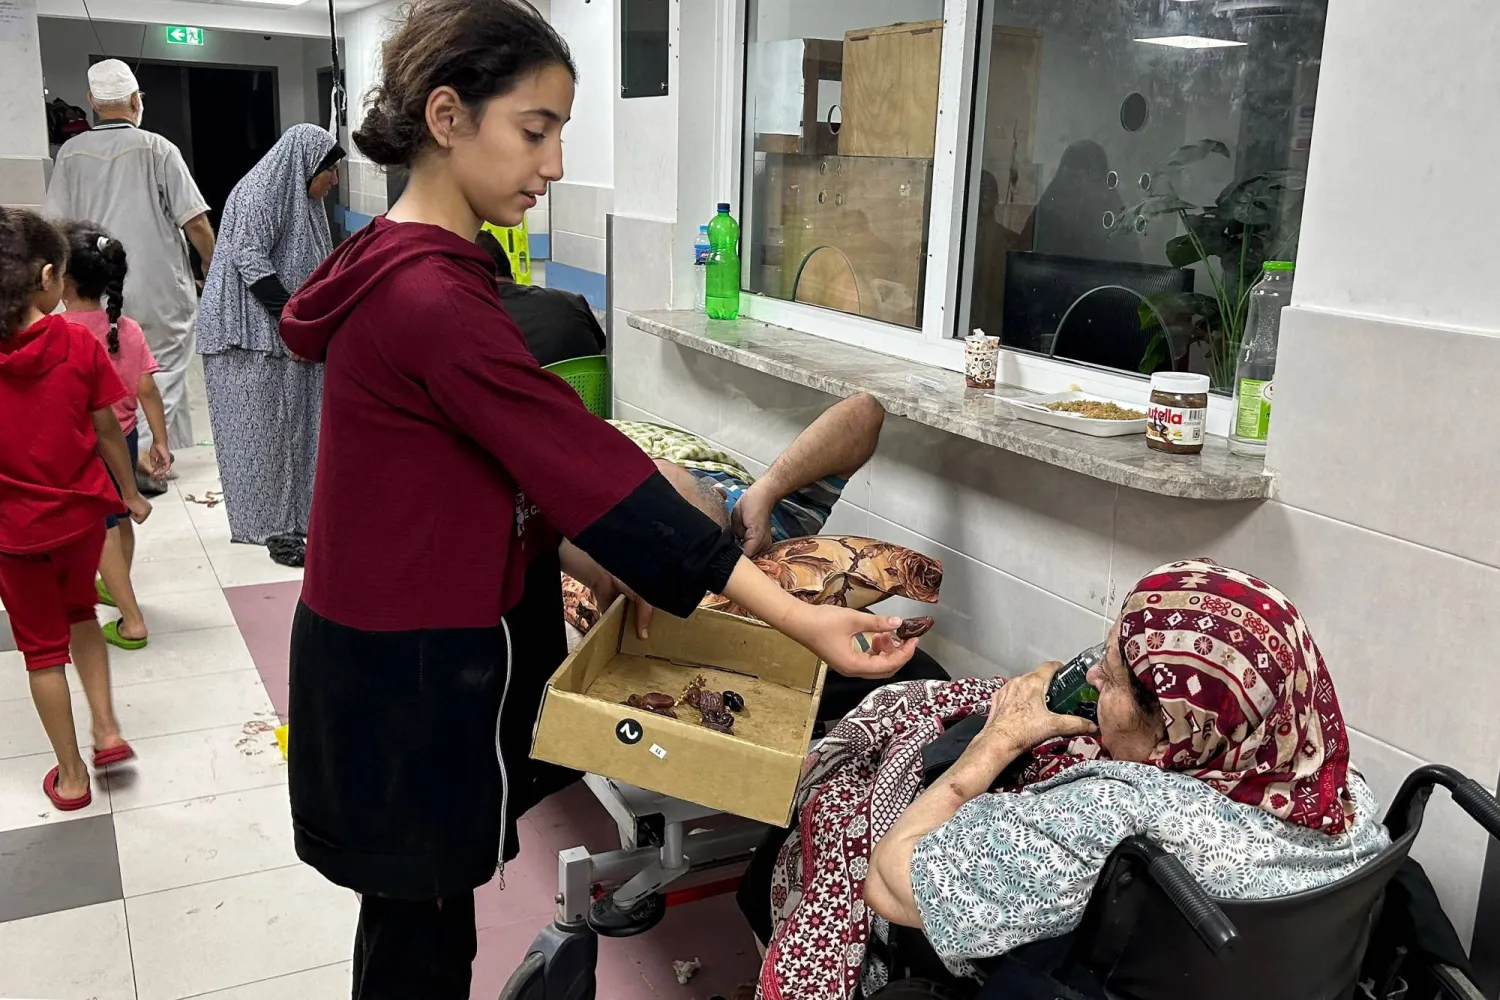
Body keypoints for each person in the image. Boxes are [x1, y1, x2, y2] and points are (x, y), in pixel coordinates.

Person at [276, 2, 918, 996]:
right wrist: (801, 618)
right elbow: (590, 474)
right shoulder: (431, 299)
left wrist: (587, 562)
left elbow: (494, 482)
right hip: (407, 677)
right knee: (421, 937)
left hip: (377, 655)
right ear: (447, 117)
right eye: (536, 130)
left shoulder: (399, 262)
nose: (557, 161)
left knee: (416, 915)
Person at [745, 559, 1390, 1000]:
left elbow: (891, 882)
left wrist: (996, 743)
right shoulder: (1346, 795)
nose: (1095, 683)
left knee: (850, 813)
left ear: (1175, 728)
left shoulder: (1113, 818)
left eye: (1110, 678)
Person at [0, 208, 146, 810]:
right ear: (49, 276)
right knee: (81, 610)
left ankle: (71, 777)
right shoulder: (77, 345)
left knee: (41, 653)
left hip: (14, 535)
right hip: (82, 519)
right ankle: (107, 728)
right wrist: (131, 492)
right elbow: (108, 430)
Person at [44, 59, 218, 470]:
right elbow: (194, 220)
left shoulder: (70, 152)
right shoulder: (158, 148)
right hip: (157, 286)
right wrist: (212, 265)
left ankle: (130, 455)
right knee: (165, 369)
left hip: (94, 287)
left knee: (110, 371)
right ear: (136, 101)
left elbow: (55, 226)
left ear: (91, 102)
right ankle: (152, 457)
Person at [196, 124, 345, 544]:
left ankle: (296, 519)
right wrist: (292, 323)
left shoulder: (303, 199)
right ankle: (262, 526)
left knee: (291, 431)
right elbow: (249, 258)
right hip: (243, 337)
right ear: (306, 166)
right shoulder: (264, 191)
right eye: (330, 171)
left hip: (278, 337)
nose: (333, 181)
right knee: (258, 435)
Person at [59, 222, 170, 649]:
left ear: (63, 281)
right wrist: (160, 441)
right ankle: (117, 584)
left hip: (84, 447)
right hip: (123, 438)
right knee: (120, 518)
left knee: (100, 527)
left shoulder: (64, 333)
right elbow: (147, 389)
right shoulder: (126, 328)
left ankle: (132, 619)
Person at [475, 228, 605, 366]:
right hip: (585, 387)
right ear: (510, 271)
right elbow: (605, 354)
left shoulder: (475, 322)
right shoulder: (571, 301)